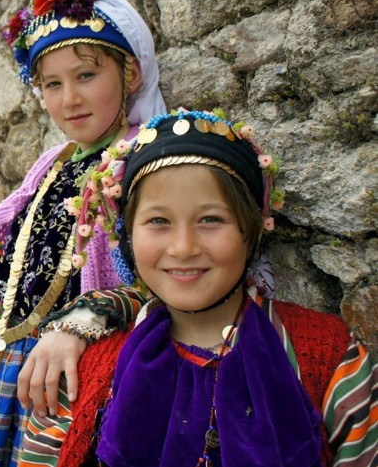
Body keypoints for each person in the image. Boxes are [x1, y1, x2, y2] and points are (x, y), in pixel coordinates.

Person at [20, 109, 378, 467]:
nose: (183, 247)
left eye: (211, 219)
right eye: (158, 221)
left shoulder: (332, 360)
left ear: (250, 232)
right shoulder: (77, 369)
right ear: (127, 237)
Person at [0, 0, 166, 466]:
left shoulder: (141, 165)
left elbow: (158, 277)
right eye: (51, 84)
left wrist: (76, 325)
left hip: (59, 371)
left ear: (131, 71)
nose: (69, 99)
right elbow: (14, 233)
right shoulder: (51, 161)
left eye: (87, 75)